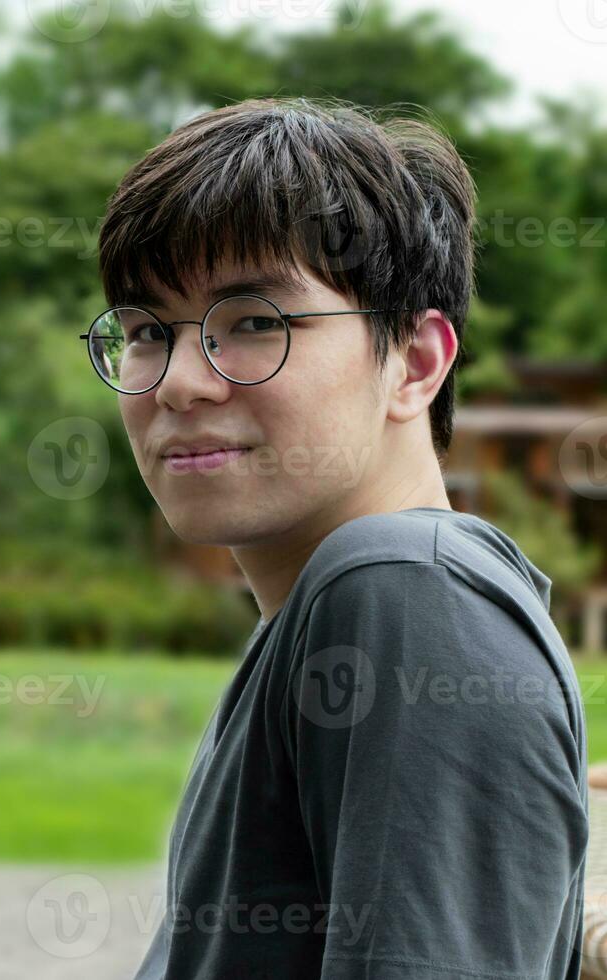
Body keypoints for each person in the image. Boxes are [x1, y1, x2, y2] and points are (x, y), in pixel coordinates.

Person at [89, 98, 589, 979]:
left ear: (417, 362)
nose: (179, 382)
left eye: (254, 322)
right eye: (147, 332)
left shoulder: (400, 591)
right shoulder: (335, 616)